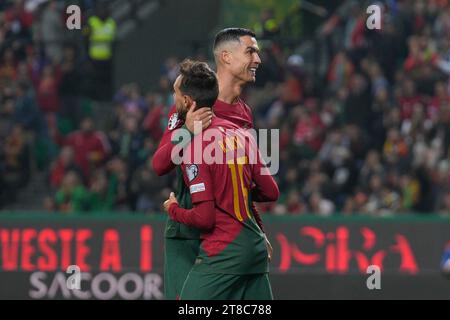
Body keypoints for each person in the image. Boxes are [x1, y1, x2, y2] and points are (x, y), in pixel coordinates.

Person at [152, 28, 271, 299]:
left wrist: (256, 228)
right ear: (226, 57)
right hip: (189, 232)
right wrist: (188, 131)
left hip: (229, 236)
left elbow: (244, 182)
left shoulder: (244, 113)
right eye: (251, 51)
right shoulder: (191, 100)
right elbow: (159, 164)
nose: (258, 60)